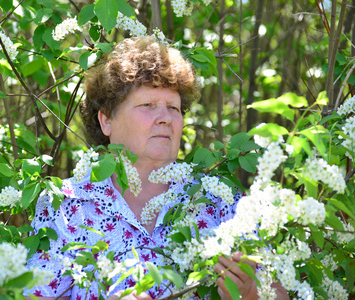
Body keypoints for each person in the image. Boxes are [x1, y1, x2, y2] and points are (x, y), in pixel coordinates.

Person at [24, 36, 289, 300]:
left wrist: (249, 294)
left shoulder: (221, 202)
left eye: (173, 108)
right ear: (106, 121)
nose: (165, 119)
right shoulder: (65, 205)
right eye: (148, 105)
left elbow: (278, 293)